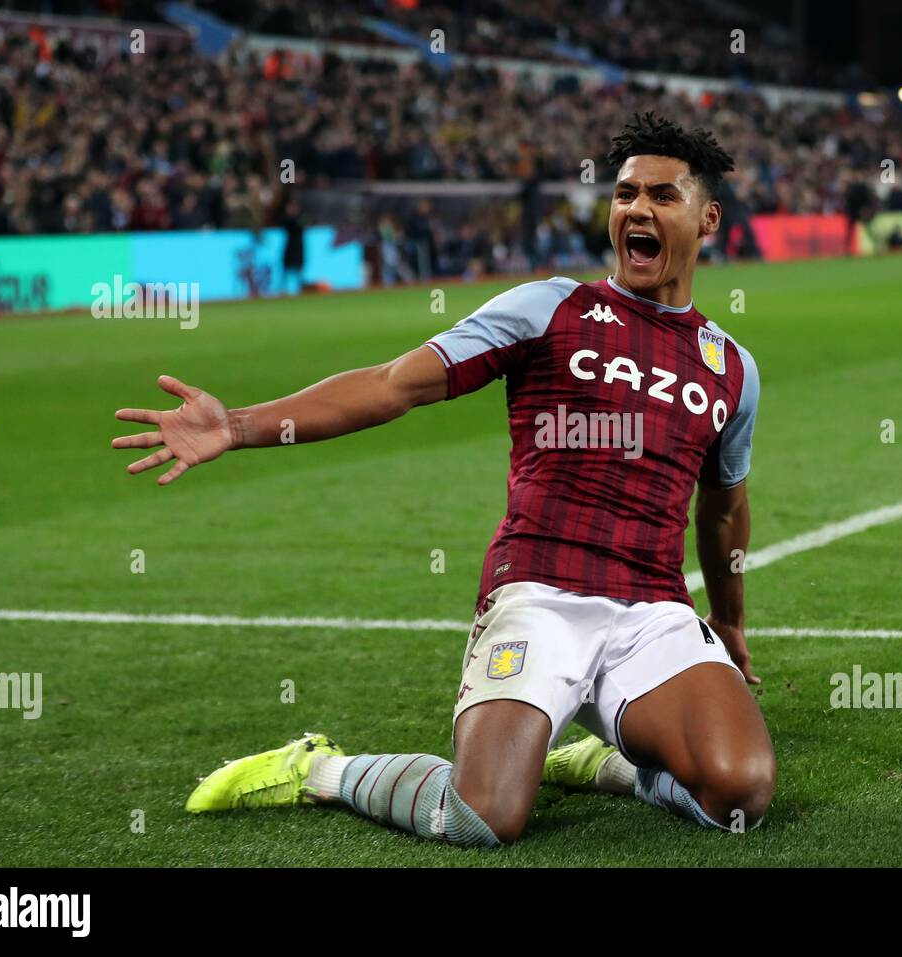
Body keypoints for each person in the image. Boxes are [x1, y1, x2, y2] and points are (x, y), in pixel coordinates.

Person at [110, 112, 775, 847]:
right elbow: (394, 383)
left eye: (660, 195)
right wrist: (236, 425)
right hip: (542, 589)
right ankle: (320, 768)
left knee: (737, 794)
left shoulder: (731, 367)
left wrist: (732, 618)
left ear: (707, 217)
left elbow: (723, 511)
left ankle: (600, 764)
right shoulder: (550, 307)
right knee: (482, 815)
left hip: (653, 609)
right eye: (623, 195)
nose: (636, 210)